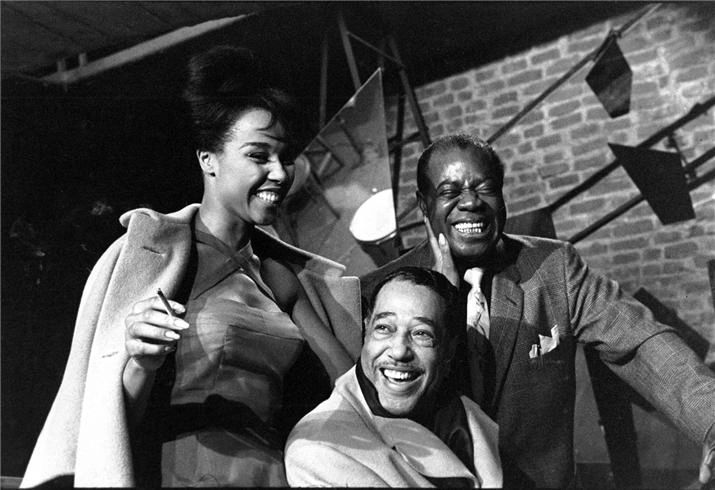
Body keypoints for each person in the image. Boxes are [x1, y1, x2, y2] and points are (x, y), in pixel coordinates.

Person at [21, 45, 362, 488]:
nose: (280, 172)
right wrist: (141, 363)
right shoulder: (150, 263)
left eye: (286, 156)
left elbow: (353, 395)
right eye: (259, 156)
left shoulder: (284, 276)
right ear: (209, 160)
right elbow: (110, 420)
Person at [360, 134, 715, 488]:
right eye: (450, 192)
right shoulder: (380, 293)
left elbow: (641, 341)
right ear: (424, 205)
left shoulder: (553, 267)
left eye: (485, 188)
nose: (470, 203)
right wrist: (439, 301)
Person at [285, 266, 503, 487]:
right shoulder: (319, 450)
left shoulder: (465, 414)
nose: (399, 351)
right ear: (366, 329)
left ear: (448, 351)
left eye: (421, 333)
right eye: (384, 328)